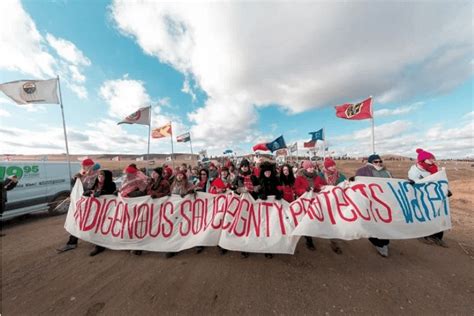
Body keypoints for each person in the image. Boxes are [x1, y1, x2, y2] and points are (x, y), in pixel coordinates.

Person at [408, 148, 449, 247]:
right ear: (422, 160)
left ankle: (437, 237)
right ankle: (422, 235)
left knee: (439, 215)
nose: (432, 161)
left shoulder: (434, 169)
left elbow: (440, 181)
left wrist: (446, 189)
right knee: (425, 215)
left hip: (435, 196)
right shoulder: (414, 171)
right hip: (422, 197)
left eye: (433, 159)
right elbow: (416, 184)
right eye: (430, 159)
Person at [57, 158, 99, 253]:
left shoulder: (97, 175)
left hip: (92, 204)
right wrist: (75, 179)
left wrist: (90, 191)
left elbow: (96, 188)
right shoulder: (82, 174)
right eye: (83, 166)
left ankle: (98, 243)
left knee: (93, 222)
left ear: (90, 166)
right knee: (76, 221)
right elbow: (76, 187)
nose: (83, 167)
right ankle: (72, 242)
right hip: (80, 203)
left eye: (85, 166)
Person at [356, 154, 392, 257]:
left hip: (386, 202)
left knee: (385, 222)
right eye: (376, 162)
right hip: (371, 202)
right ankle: (378, 243)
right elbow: (358, 184)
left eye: (380, 161)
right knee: (375, 223)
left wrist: (407, 183)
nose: (379, 163)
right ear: (371, 162)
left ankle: (384, 243)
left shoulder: (387, 172)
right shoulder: (363, 171)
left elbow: (394, 183)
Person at [294, 160, 327, 251]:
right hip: (304, 203)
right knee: (306, 221)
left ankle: (313, 233)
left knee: (314, 219)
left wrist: (319, 188)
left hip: (315, 202)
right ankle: (309, 240)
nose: (311, 168)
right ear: (305, 168)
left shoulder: (317, 177)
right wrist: (304, 190)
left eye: (312, 167)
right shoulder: (299, 178)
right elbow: (296, 189)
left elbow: (323, 185)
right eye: (309, 167)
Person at [83, 170, 117, 256]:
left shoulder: (111, 184)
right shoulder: (96, 183)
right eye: (99, 176)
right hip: (95, 209)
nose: (100, 178)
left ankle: (100, 246)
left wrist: (101, 193)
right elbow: (88, 191)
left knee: (101, 227)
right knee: (94, 225)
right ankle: (97, 241)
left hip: (106, 210)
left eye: (102, 176)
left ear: (107, 177)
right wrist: (88, 192)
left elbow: (109, 193)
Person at [319, 158, 346, 254]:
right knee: (330, 221)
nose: (333, 167)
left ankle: (335, 239)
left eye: (334, 165)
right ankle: (333, 241)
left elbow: (345, 184)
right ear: (326, 167)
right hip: (326, 202)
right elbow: (317, 186)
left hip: (338, 202)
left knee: (338, 220)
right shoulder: (321, 176)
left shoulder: (339, 175)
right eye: (331, 166)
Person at [257, 161, 282, 259]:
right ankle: (266, 248)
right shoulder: (260, 180)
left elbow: (279, 189)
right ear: (263, 172)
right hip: (263, 209)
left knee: (273, 227)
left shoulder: (276, 179)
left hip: (274, 208)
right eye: (265, 172)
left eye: (269, 172)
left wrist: (279, 194)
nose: (267, 173)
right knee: (264, 227)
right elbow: (255, 194)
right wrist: (260, 194)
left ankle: (272, 246)